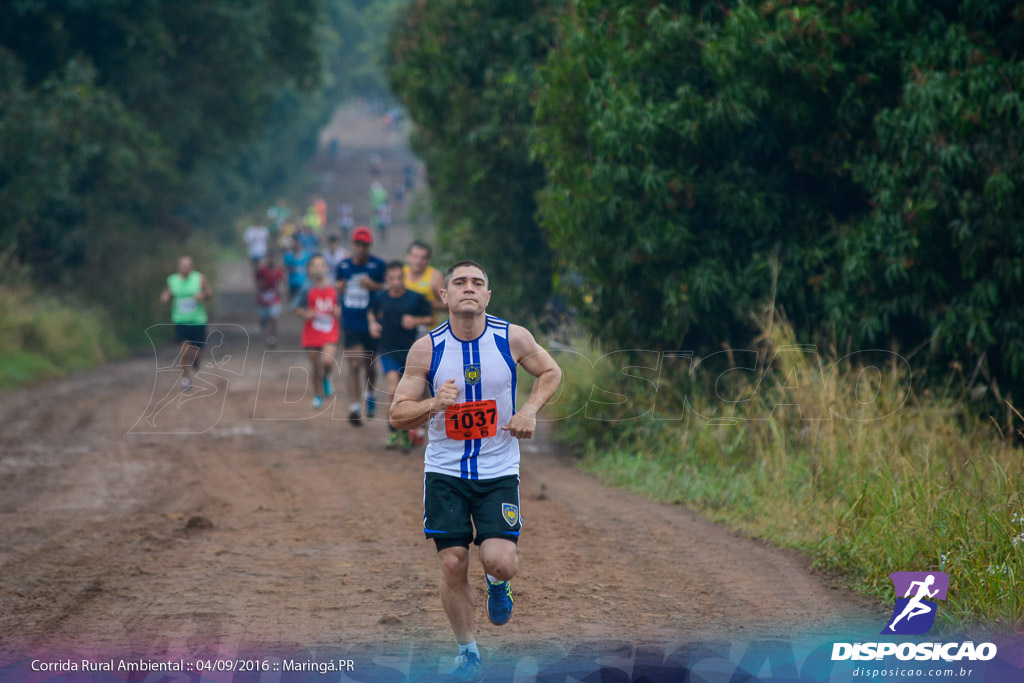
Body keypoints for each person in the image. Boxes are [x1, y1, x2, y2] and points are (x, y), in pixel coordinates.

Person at [389, 261, 562, 680]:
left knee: (499, 561)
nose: (469, 288)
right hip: (445, 471)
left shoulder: (513, 337)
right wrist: (434, 404)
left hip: (498, 469)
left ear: (488, 296)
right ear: (444, 296)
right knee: (452, 563)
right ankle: (468, 653)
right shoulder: (426, 349)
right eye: (459, 283)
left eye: (478, 283)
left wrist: (529, 410)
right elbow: (397, 415)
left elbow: (552, 372)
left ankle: (498, 585)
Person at [368, 261, 433, 451]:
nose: (396, 282)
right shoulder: (380, 297)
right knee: (393, 389)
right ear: (386, 279)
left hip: (411, 353)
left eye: (399, 278)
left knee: (413, 394)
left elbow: (430, 317)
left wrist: (416, 320)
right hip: (387, 349)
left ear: (403, 278)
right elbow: (371, 313)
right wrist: (373, 324)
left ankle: (409, 430)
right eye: (392, 279)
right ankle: (395, 429)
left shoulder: (415, 298)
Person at [335, 226, 386, 425]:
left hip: (372, 322)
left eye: (365, 245)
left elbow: (389, 289)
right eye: (358, 244)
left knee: (370, 365)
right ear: (353, 245)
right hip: (351, 322)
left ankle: (370, 394)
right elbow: (338, 287)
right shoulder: (343, 266)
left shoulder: (379, 266)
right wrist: (338, 288)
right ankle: (354, 407)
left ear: (369, 246)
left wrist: (374, 286)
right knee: (354, 364)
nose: (361, 248)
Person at [291, 255, 340, 410]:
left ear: (326, 268)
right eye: (315, 265)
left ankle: (326, 377)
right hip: (311, 331)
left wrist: (338, 310)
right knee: (314, 364)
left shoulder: (334, 287)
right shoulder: (306, 288)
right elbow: (295, 308)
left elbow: (341, 305)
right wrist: (305, 314)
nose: (318, 268)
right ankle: (317, 395)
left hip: (330, 330)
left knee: (327, 361)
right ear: (309, 270)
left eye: (321, 265)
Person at [159, 256, 214, 392]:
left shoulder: (199, 278)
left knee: (198, 352)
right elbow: (167, 293)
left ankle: (196, 360)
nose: (185, 268)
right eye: (183, 266)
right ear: (179, 267)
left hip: (198, 321)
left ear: (192, 267)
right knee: (183, 351)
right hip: (180, 320)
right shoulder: (172, 280)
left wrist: (203, 295)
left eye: (187, 266)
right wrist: (166, 296)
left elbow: (209, 292)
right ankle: (186, 379)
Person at [403, 240, 446, 327]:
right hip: (404, 330)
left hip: (427, 331)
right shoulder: (401, 274)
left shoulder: (436, 276)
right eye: (415, 256)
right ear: (408, 256)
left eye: (423, 258)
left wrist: (425, 304)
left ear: (429, 260)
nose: (418, 261)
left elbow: (448, 305)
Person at [255, 252, 285, 348]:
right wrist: (258, 293)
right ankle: (263, 323)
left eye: (273, 258)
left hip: (274, 297)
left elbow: (282, 282)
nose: (271, 261)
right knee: (264, 318)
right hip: (263, 297)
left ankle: (272, 338)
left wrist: (280, 290)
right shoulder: (262, 270)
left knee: (273, 318)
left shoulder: (279, 271)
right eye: (270, 258)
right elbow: (257, 281)